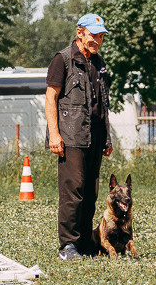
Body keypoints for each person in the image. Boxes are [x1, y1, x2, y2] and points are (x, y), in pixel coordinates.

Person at [46, 14, 113, 260]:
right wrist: (54, 134)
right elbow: (50, 98)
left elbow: (103, 104)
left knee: (91, 192)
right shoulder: (62, 60)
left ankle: (85, 243)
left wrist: (107, 137)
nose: (97, 40)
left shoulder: (99, 63)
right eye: (94, 35)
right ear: (80, 33)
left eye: (101, 35)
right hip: (70, 136)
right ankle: (68, 246)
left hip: (94, 136)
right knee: (73, 190)